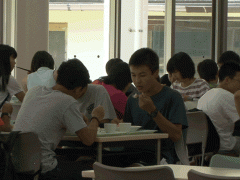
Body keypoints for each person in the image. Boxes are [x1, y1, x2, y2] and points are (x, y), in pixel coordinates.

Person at [13, 59, 105, 180]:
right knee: (93, 169)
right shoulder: (67, 101)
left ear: (56, 77)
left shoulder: (34, 91)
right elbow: (88, 140)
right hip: (44, 171)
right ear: (78, 89)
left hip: (17, 168)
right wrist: (96, 118)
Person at [121, 48, 188, 165]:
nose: (137, 81)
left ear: (156, 72)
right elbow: (127, 135)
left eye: (142, 75)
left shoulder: (172, 97)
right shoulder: (132, 99)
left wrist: (152, 111)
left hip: (164, 159)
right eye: (133, 75)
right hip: (134, 156)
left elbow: (176, 135)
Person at [197, 62, 240, 156]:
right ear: (227, 80)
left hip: (205, 148)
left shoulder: (205, 96)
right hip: (225, 146)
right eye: (239, 81)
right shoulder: (227, 96)